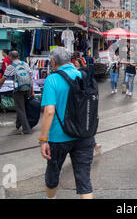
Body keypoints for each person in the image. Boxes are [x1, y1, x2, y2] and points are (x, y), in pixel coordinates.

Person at [39, 47, 96, 199]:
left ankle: (50, 198)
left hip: (59, 138)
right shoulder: (82, 75)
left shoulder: (52, 79)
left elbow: (49, 111)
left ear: (53, 61)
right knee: (84, 179)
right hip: (84, 135)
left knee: (53, 173)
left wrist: (43, 139)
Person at [0, 51, 34, 135]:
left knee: (20, 109)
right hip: (27, 88)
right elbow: (31, 78)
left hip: (18, 90)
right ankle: (18, 124)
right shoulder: (25, 64)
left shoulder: (11, 66)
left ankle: (26, 129)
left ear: (10, 57)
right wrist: (32, 90)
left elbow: (3, 79)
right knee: (22, 107)